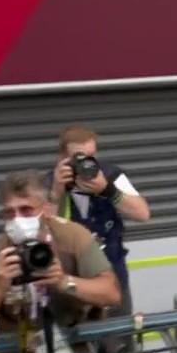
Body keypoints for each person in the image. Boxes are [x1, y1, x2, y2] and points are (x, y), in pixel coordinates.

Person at [0, 171, 122, 353]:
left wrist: (64, 281)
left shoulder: (73, 236)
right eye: (9, 212)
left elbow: (112, 294)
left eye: (26, 210)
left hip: (73, 348)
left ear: (44, 209)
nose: (17, 219)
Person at [47, 126, 151, 322]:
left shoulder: (110, 175)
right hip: (71, 282)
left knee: (120, 343)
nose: (86, 164)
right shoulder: (48, 183)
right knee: (79, 347)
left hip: (112, 275)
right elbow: (40, 230)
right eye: (79, 158)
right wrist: (56, 191)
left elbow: (143, 213)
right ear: (62, 158)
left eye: (91, 157)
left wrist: (108, 190)